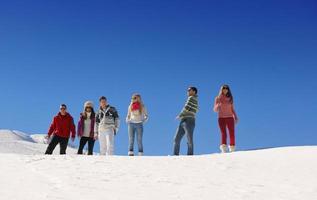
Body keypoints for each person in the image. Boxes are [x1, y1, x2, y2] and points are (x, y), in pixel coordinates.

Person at [173, 87, 199, 156]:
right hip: (184, 120)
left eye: (189, 90)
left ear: (194, 92)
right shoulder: (193, 99)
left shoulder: (191, 98)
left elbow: (186, 108)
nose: (187, 91)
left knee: (188, 139)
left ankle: (189, 155)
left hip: (189, 120)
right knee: (177, 139)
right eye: (187, 90)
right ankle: (175, 155)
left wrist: (180, 115)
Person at [213, 84, 239, 153]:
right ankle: (224, 148)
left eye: (226, 88)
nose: (225, 89)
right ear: (221, 90)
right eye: (223, 88)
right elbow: (215, 110)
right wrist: (218, 105)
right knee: (223, 133)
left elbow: (232, 109)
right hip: (221, 118)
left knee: (232, 133)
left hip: (230, 118)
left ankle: (232, 147)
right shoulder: (217, 98)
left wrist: (236, 117)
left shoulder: (230, 98)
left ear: (228, 90)